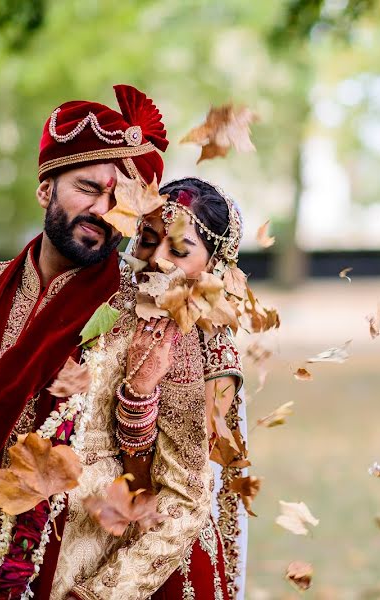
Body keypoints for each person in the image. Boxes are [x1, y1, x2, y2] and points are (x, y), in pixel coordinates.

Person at [0, 85, 214, 600]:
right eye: (87, 188)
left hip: (72, 583)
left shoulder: (154, 315)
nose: (102, 209)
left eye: (119, 200)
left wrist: (94, 597)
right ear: (45, 188)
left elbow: (184, 501)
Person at [125, 177, 248, 600]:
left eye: (178, 250)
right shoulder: (108, 309)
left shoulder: (213, 346)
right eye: (146, 239)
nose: (157, 259)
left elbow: (188, 484)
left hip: (168, 549)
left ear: (214, 267)